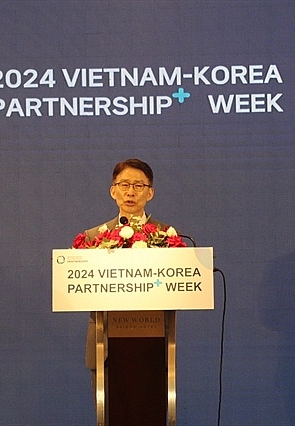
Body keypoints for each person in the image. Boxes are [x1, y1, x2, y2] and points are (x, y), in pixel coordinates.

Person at [78, 158, 172, 424]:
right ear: (113, 191)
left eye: (139, 185)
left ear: (150, 193)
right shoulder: (93, 238)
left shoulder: (168, 238)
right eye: (124, 185)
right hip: (107, 344)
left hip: (151, 343)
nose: (131, 192)